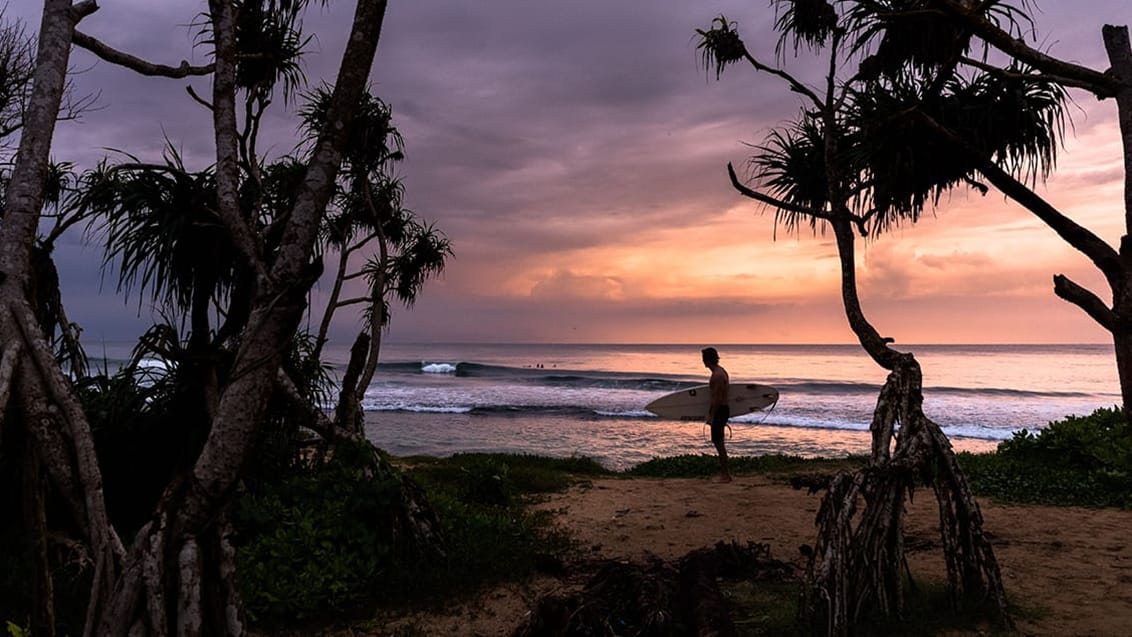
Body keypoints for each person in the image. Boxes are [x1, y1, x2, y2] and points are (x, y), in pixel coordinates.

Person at [702, 347, 731, 482]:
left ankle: (725, 476)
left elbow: (717, 398)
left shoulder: (717, 375)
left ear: (708, 359)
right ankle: (725, 474)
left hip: (720, 410)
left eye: (704, 358)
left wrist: (712, 415)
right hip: (722, 410)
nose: (702, 361)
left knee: (719, 443)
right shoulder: (721, 371)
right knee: (718, 442)